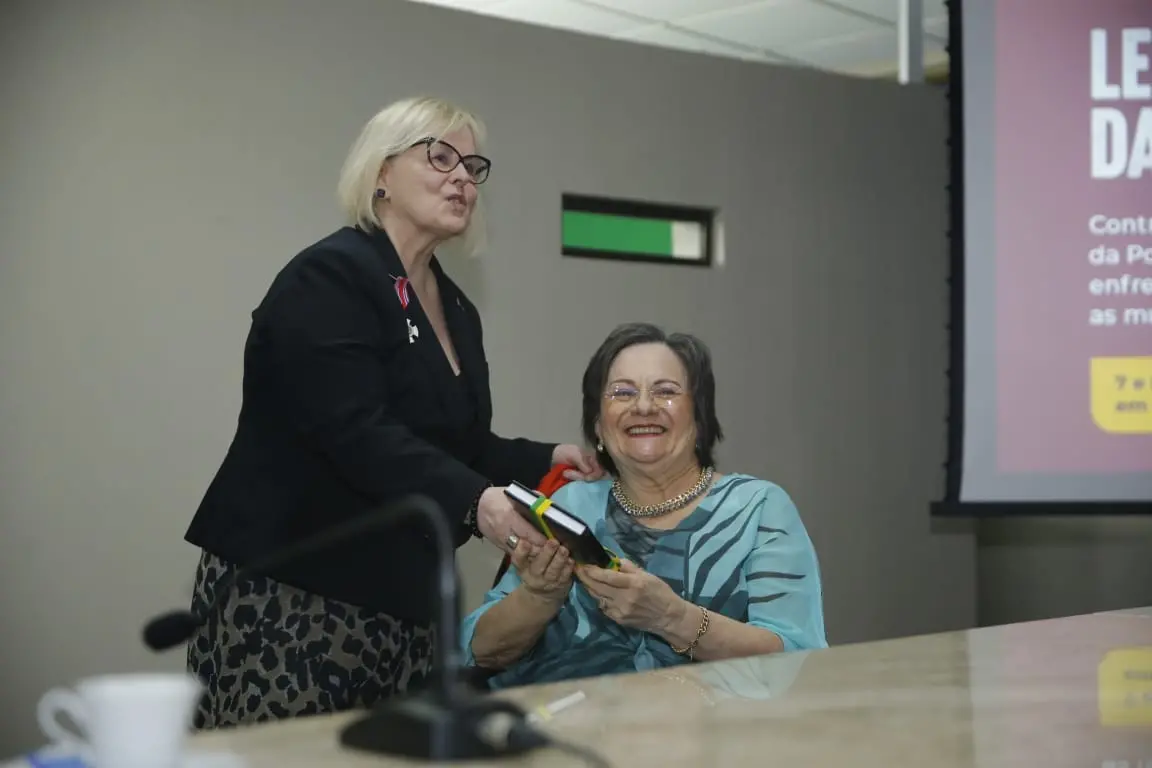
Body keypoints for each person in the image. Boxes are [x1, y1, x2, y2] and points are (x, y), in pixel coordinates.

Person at [182, 96, 598, 728]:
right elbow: (353, 430)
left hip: (400, 599)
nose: (463, 177)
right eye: (440, 156)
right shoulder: (330, 276)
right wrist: (475, 501)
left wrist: (542, 458)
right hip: (296, 588)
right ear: (381, 172)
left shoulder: (456, 308)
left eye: (473, 166)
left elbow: (456, 444)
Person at [461, 322, 826, 689]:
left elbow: (797, 658)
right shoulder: (570, 505)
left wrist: (672, 617)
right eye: (622, 393)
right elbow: (479, 650)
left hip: (708, 738)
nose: (644, 407)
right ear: (598, 427)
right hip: (552, 729)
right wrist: (539, 596)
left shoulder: (757, 509)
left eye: (666, 391)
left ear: (699, 418)